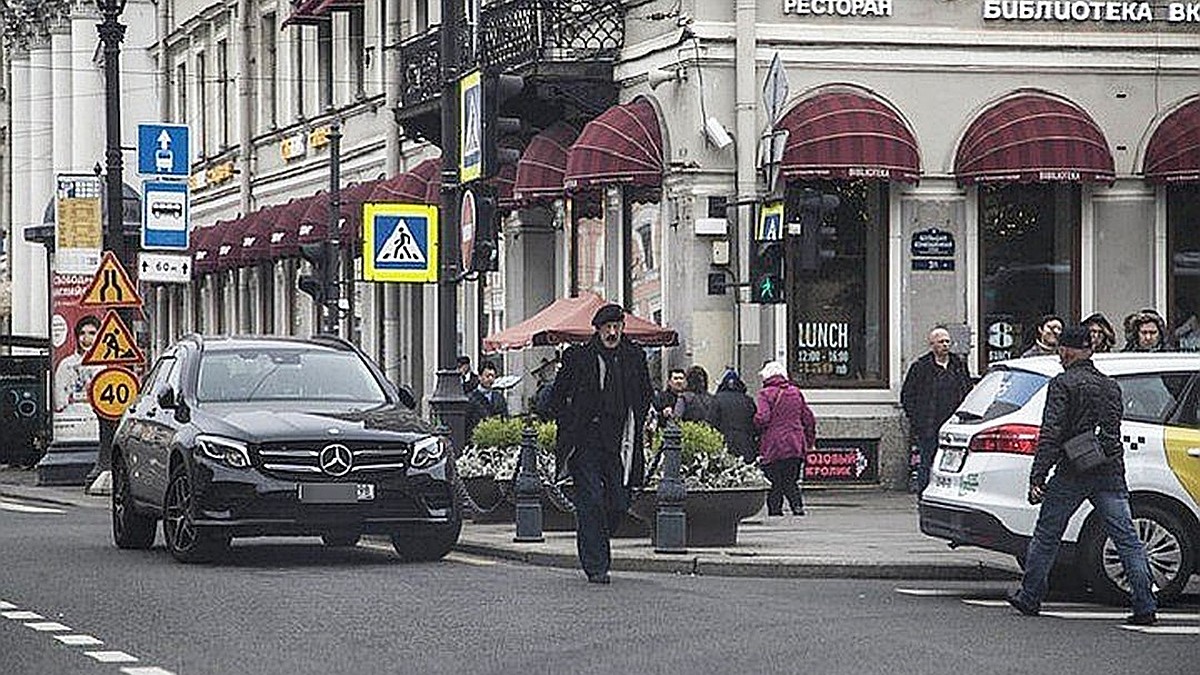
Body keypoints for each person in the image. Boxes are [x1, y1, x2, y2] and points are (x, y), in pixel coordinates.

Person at [1006, 325, 1157, 626]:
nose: (1060, 356)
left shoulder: (1063, 383)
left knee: (1047, 534)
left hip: (1072, 470)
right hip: (1109, 470)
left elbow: (1052, 431)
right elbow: (1113, 430)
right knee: (1126, 538)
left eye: (1062, 350)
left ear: (1066, 350)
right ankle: (1145, 603)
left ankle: (1031, 595)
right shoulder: (1110, 385)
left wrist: (1038, 475)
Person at [549, 303, 653, 584]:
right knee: (591, 499)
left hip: (620, 440)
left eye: (616, 326)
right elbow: (555, 398)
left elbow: (645, 394)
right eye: (607, 327)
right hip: (586, 440)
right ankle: (596, 564)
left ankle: (595, 537)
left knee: (619, 502)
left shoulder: (633, 356)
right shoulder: (578, 357)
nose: (612, 332)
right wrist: (568, 422)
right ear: (597, 329)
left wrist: (641, 420)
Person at [900, 326, 973, 495]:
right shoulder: (921, 366)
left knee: (954, 462)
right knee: (927, 461)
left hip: (955, 424)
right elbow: (908, 395)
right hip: (929, 424)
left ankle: (951, 494)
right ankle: (924, 493)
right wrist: (917, 419)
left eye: (947, 341)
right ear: (932, 344)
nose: (945, 345)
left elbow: (967, 390)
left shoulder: (958, 364)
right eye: (941, 342)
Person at [754, 361, 816, 516]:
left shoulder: (765, 394)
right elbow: (808, 418)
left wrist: (754, 423)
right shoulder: (795, 392)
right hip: (795, 442)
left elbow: (763, 418)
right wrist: (809, 441)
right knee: (791, 478)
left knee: (774, 480)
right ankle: (797, 506)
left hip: (773, 444)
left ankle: (775, 510)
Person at [54, 314, 102, 412]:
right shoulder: (66, 364)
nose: (86, 338)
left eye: (92, 333)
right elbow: (58, 399)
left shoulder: (102, 365)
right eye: (82, 333)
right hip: (71, 419)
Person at [710, 369, 758, 464]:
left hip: (724, 444)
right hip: (746, 445)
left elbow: (711, 422)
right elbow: (755, 423)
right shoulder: (748, 400)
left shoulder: (716, 399)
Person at [465, 360, 508, 439]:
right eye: (487, 376)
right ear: (480, 377)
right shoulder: (470, 398)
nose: (490, 379)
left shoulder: (499, 397)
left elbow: (505, 419)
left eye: (493, 376)